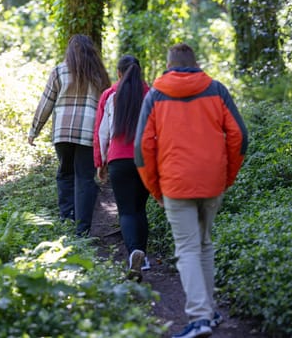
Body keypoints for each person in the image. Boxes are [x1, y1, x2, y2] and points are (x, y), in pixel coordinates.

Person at [134, 43, 248, 338]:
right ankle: (207, 311)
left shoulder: (156, 95)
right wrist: (227, 176)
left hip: (175, 183)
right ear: (195, 63)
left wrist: (156, 189)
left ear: (168, 65)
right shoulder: (216, 89)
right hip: (212, 181)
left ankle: (199, 319)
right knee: (204, 245)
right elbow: (240, 136)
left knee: (187, 248)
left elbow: (141, 149)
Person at [28, 34, 110, 237]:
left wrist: (34, 130)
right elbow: (107, 108)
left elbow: (45, 102)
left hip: (62, 134)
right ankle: (82, 230)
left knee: (65, 175)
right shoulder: (98, 75)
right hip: (88, 134)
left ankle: (67, 221)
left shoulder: (59, 71)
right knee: (85, 178)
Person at [94, 55, 151, 281]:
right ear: (139, 72)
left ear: (119, 73)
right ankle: (143, 258)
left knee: (126, 210)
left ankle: (133, 254)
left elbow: (102, 132)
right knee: (140, 209)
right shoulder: (151, 95)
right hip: (144, 160)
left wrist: (101, 162)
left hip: (119, 159)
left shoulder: (109, 95)